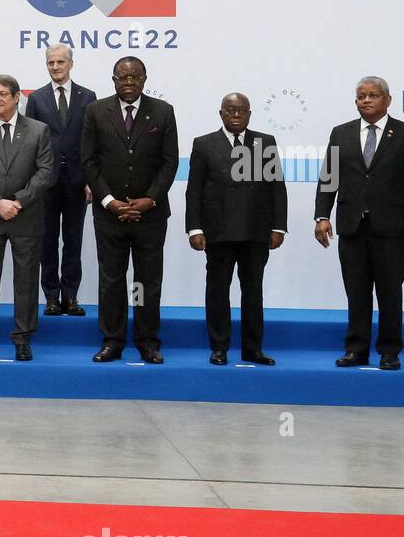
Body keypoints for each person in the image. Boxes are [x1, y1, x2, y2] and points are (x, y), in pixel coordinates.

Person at [314, 76, 404, 370]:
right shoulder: (341, 133)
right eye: (361, 96)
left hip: (392, 228)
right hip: (352, 226)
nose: (366, 100)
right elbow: (329, 178)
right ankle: (356, 349)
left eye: (373, 95)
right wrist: (322, 216)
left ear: (388, 100)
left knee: (390, 291)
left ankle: (389, 351)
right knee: (356, 291)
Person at [81, 56, 178, 363]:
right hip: (109, 214)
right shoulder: (96, 111)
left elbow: (169, 162)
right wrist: (109, 201)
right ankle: (112, 339)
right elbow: (89, 161)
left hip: (150, 215)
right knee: (111, 279)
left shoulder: (163, 112)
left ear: (144, 79)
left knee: (146, 280)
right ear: (113, 80)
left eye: (134, 77)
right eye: (122, 78)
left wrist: (150, 199)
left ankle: (147, 340)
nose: (128, 83)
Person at [185, 93, 286, 365]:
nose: (237, 115)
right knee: (217, 291)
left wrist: (279, 226)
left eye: (242, 110)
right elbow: (194, 191)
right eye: (231, 110)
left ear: (250, 113)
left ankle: (253, 349)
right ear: (221, 114)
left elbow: (277, 187)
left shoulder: (265, 142)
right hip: (218, 233)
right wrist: (194, 228)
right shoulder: (204, 144)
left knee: (253, 292)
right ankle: (219, 347)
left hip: (256, 232)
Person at [0, 75, 53, 361]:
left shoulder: (39, 130)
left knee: (26, 280)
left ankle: (22, 337)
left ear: (17, 97)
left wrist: (18, 201)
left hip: (25, 217)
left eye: (2, 94)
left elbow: (44, 173)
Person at [24, 43, 96, 316]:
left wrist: (91, 179)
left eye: (60, 62)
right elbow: (30, 143)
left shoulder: (87, 96)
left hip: (78, 181)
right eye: (50, 63)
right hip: (46, 182)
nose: (55, 67)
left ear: (70, 64)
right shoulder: (37, 98)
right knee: (47, 241)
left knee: (74, 240)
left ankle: (71, 296)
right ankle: (51, 297)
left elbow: (92, 141)